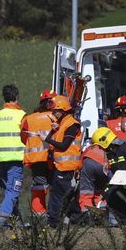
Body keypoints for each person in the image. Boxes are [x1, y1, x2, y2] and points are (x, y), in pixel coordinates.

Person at [0, 85, 26, 226]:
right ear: (17, 97)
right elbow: (26, 137)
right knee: (13, 192)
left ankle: (15, 223)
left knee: (9, 191)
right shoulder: (21, 115)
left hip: (0, 159)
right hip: (15, 160)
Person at [44, 95, 83, 224]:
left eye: (56, 111)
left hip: (68, 167)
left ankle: (55, 221)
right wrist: (52, 131)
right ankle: (73, 220)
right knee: (65, 195)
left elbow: (64, 145)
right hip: (61, 166)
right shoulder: (62, 124)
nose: (54, 114)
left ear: (63, 109)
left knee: (61, 196)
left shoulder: (72, 124)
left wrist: (49, 139)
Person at [21, 90, 57, 218]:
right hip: (54, 157)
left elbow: (23, 138)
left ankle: (38, 215)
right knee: (55, 187)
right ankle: (55, 215)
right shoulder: (58, 117)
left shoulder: (28, 119)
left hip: (36, 159)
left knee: (38, 186)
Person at [78, 137, 110, 219]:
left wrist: (78, 172)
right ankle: (101, 207)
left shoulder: (90, 148)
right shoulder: (107, 149)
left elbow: (81, 159)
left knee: (86, 192)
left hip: (89, 165)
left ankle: (86, 215)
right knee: (99, 191)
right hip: (104, 168)